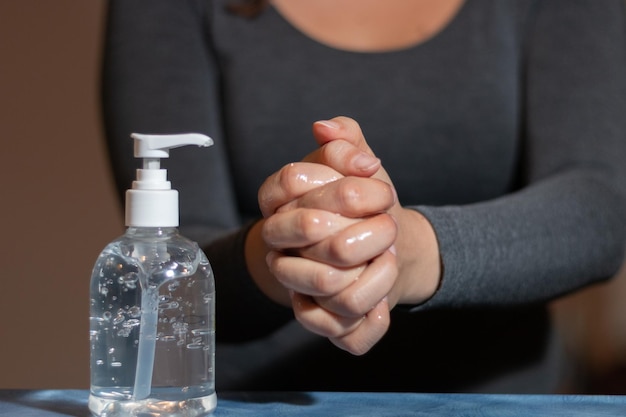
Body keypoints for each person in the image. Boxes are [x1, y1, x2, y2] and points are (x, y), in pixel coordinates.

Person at [101, 0, 626, 393]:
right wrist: (293, 248)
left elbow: (597, 208)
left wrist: (408, 250)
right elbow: (171, 254)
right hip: (252, 400)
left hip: (496, 400)